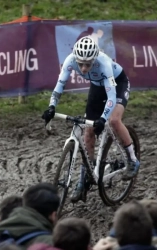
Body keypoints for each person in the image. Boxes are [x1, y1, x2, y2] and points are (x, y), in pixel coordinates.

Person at [42, 36, 140, 202]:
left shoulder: (104, 64)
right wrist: (52, 106)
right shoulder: (70, 61)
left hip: (117, 83)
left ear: (94, 59)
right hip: (97, 85)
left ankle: (132, 159)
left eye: (88, 64)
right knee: (88, 131)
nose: (84, 68)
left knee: (114, 121)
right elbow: (59, 86)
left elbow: (111, 97)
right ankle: (88, 173)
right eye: (81, 64)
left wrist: (102, 119)